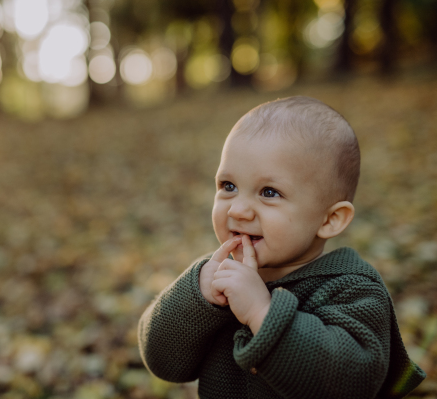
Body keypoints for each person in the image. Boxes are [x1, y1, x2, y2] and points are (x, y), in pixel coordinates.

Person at [138, 96, 426, 399]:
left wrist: (262, 312)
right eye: (228, 186)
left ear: (330, 219)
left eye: (269, 192)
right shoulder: (215, 278)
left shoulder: (352, 289)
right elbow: (163, 364)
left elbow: (351, 383)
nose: (238, 210)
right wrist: (198, 296)